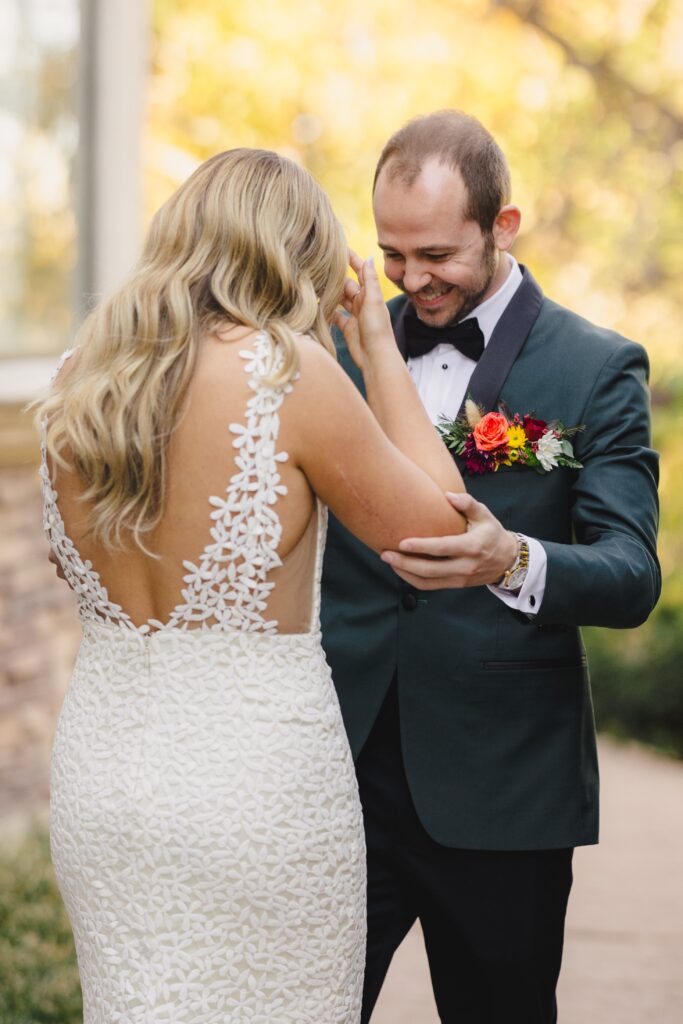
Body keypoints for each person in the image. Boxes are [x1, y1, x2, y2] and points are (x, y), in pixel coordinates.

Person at [37, 147, 469, 1023]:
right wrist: (377, 353)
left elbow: (66, 561)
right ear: (299, 257)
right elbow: (445, 531)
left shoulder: (81, 378)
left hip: (104, 780)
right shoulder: (286, 372)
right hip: (255, 784)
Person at [321, 110, 660, 1024]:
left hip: (503, 791)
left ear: (502, 227)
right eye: (391, 253)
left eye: (435, 253)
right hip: (335, 777)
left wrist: (513, 558)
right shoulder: (334, 354)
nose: (410, 278)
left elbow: (631, 575)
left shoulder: (596, 369)